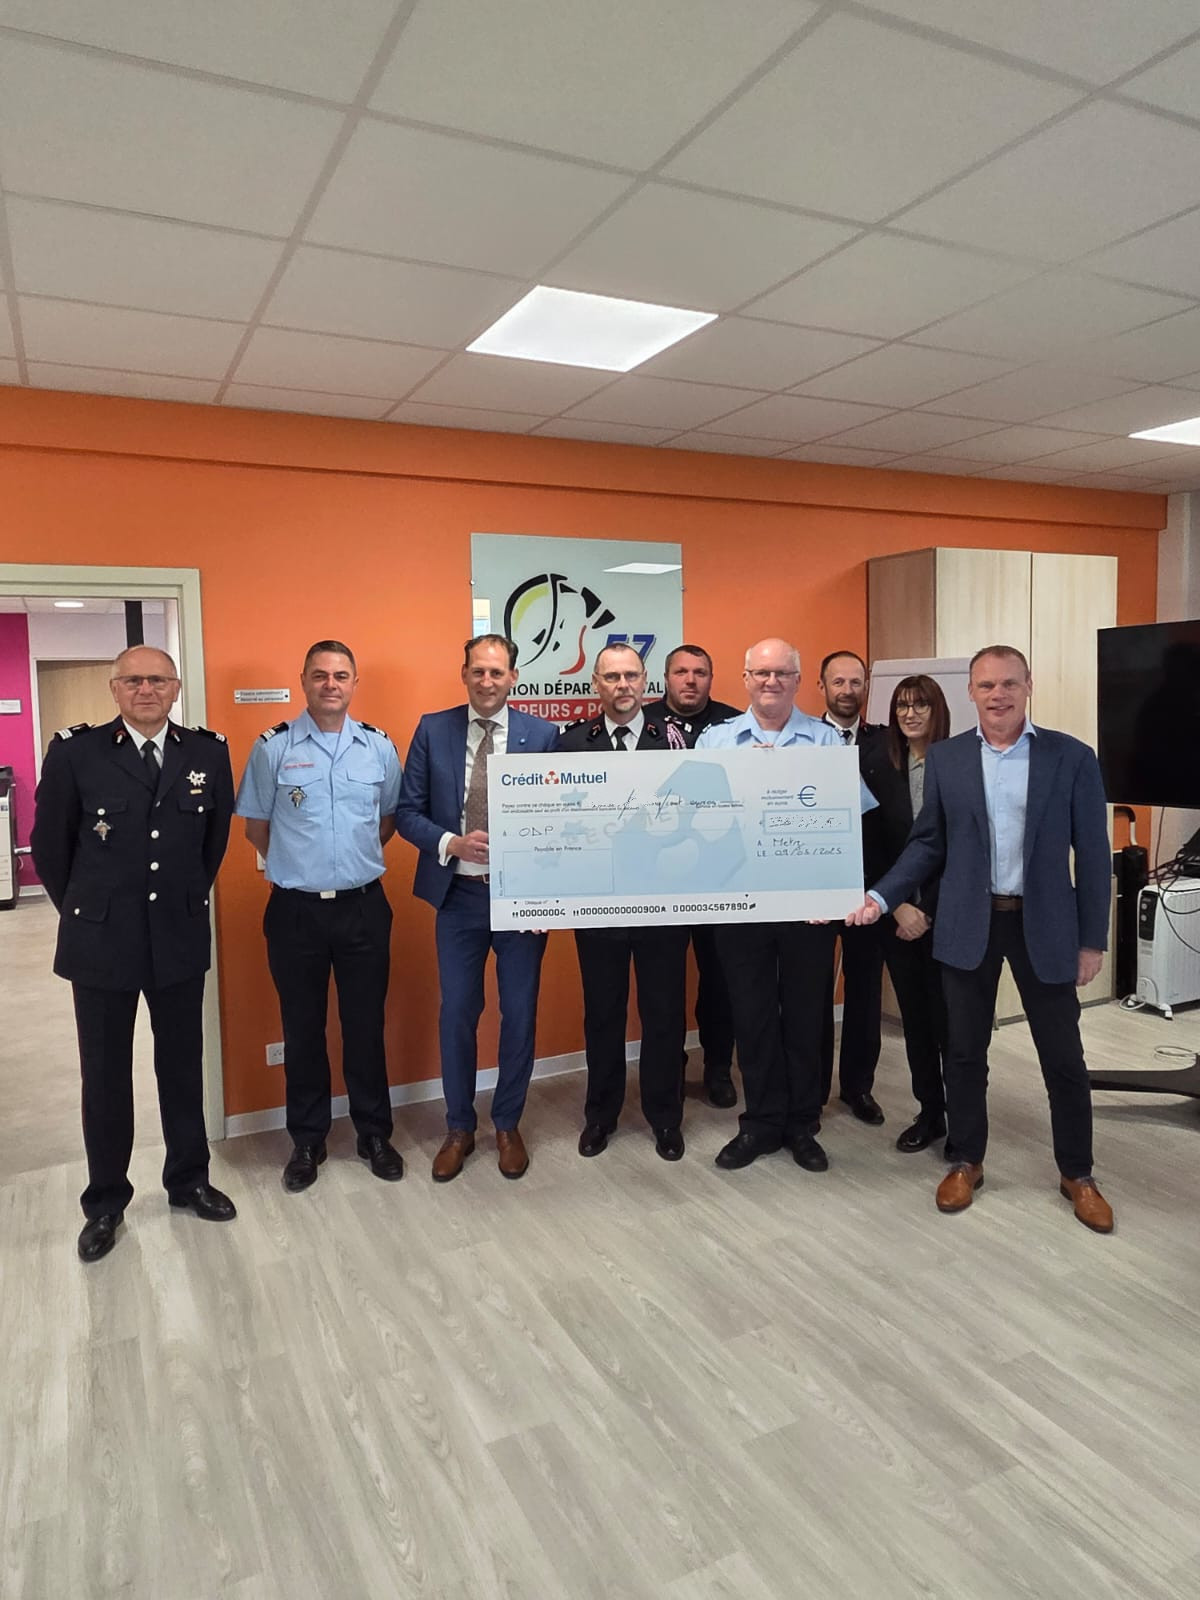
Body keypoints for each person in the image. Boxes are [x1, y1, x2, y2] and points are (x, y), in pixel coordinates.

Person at [847, 645, 1114, 1233]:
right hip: (969, 923)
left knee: (1063, 1058)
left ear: (1028, 686)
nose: (998, 695)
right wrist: (882, 897)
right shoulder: (949, 759)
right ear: (970, 692)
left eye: (1009, 684)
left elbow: (1095, 856)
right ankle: (967, 1160)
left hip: (1045, 925)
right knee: (965, 1053)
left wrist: (1091, 941)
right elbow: (927, 844)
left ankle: (1078, 1172)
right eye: (987, 685)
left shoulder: (1071, 757)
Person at [31, 645, 236, 1262]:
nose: (146, 690)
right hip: (101, 941)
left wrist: (182, 899)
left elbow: (213, 842)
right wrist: (86, 909)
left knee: (182, 1067)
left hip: (177, 934)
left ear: (176, 688)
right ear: (114, 689)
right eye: (133, 681)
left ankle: (189, 1180)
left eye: (158, 680)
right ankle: (105, 1202)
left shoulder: (208, 752)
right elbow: (50, 849)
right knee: (104, 1076)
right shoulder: (76, 752)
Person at [696, 638, 876, 1174]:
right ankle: (761, 1121)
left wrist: (836, 891)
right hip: (740, 905)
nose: (771, 681)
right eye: (761, 673)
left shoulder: (826, 742)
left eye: (782, 673)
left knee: (805, 1016)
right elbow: (695, 819)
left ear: (798, 681)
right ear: (745, 678)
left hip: (807, 910)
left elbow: (851, 823)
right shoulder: (716, 741)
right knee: (751, 1016)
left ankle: (802, 1123)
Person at [235, 640, 404, 1193]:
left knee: (365, 1027)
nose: (331, 684)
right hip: (296, 912)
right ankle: (307, 1139)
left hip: (363, 907)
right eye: (320, 675)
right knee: (302, 1029)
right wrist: (301, 867)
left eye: (341, 675)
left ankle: (374, 1134)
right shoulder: (273, 748)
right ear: (304, 681)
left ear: (354, 683)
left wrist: (347, 865)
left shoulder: (378, 747)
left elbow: (387, 821)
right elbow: (256, 827)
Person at [395, 634, 559, 1181]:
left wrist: (544, 895)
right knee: (459, 1013)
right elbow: (408, 812)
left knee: (520, 1014)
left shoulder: (542, 735)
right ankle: (459, 1127)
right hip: (458, 897)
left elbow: (558, 819)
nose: (487, 681)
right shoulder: (432, 729)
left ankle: (507, 1123)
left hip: (521, 899)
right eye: (478, 671)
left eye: (497, 672)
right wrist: (452, 843)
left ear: (514, 677)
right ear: (463, 674)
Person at [559, 643, 690, 1160]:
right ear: (595, 683)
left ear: (645, 681)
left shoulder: (674, 740)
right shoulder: (572, 744)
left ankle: (665, 1117)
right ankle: (601, 1115)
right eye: (612, 677)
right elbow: (556, 825)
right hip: (598, 905)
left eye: (631, 676)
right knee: (603, 1015)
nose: (623, 685)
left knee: (664, 1015)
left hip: (663, 903)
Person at [859, 675, 951, 1152]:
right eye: (901, 706)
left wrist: (926, 909)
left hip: (948, 916)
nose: (910, 714)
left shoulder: (958, 763)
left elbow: (964, 848)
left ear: (938, 710)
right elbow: (869, 846)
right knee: (916, 1022)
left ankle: (964, 1118)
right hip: (895, 918)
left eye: (920, 705)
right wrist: (896, 906)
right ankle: (930, 1113)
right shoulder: (877, 763)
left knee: (955, 1025)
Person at [646, 643, 740, 1109]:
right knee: (663, 985)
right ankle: (671, 1067)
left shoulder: (734, 725)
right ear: (665, 677)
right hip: (659, 876)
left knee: (720, 980)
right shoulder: (641, 724)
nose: (690, 680)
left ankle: (718, 1067)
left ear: (711, 678)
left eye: (699, 672)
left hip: (720, 875)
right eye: (681, 671)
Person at [817, 650, 888, 1126]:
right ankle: (813, 1090)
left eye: (856, 682)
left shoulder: (887, 742)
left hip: (871, 890)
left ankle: (858, 1087)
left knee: (865, 994)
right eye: (838, 682)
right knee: (812, 995)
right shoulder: (805, 739)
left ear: (866, 687)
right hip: (817, 891)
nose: (847, 690)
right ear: (822, 687)